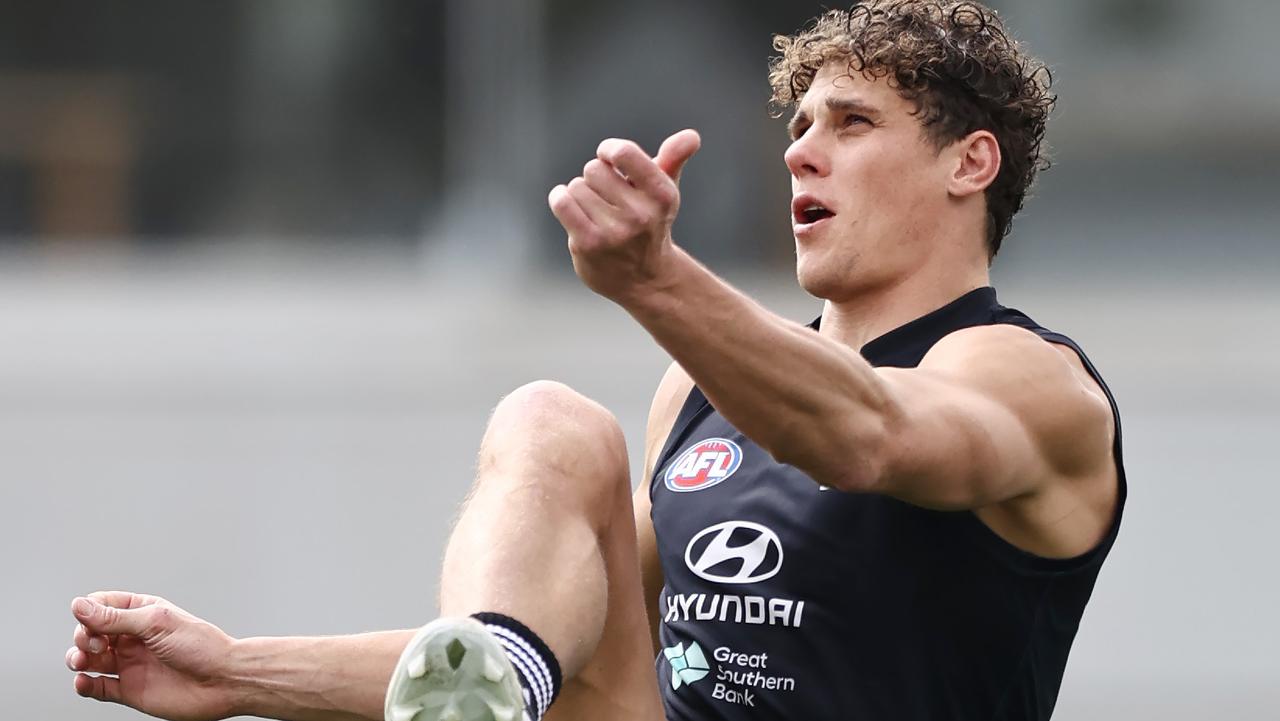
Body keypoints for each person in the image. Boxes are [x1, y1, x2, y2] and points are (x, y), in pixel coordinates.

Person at [66, 2, 1124, 720]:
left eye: (851, 123)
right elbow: (538, 639)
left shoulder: (1027, 380)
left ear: (967, 162)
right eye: (799, 125)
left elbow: (867, 434)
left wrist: (654, 281)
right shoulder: (703, 389)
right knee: (548, 424)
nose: (801, 150)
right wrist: (238, 670)